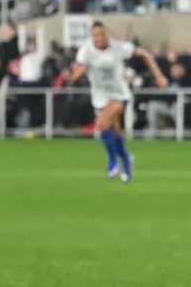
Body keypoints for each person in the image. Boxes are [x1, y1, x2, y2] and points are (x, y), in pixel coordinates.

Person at [71, 21, 168, 181]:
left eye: (102, 34)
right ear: (91, 36)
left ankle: (113, 163)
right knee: (114, 131)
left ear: (107, 33)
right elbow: (76, 72)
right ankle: (126, 161)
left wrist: (159, 76)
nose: (100, 38)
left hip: (119, 94)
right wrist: (77, 73)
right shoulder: (86, 50)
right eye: (96, 35)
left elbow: (144, 54)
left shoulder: (118, 48)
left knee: (102, 123)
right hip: (100, 96)